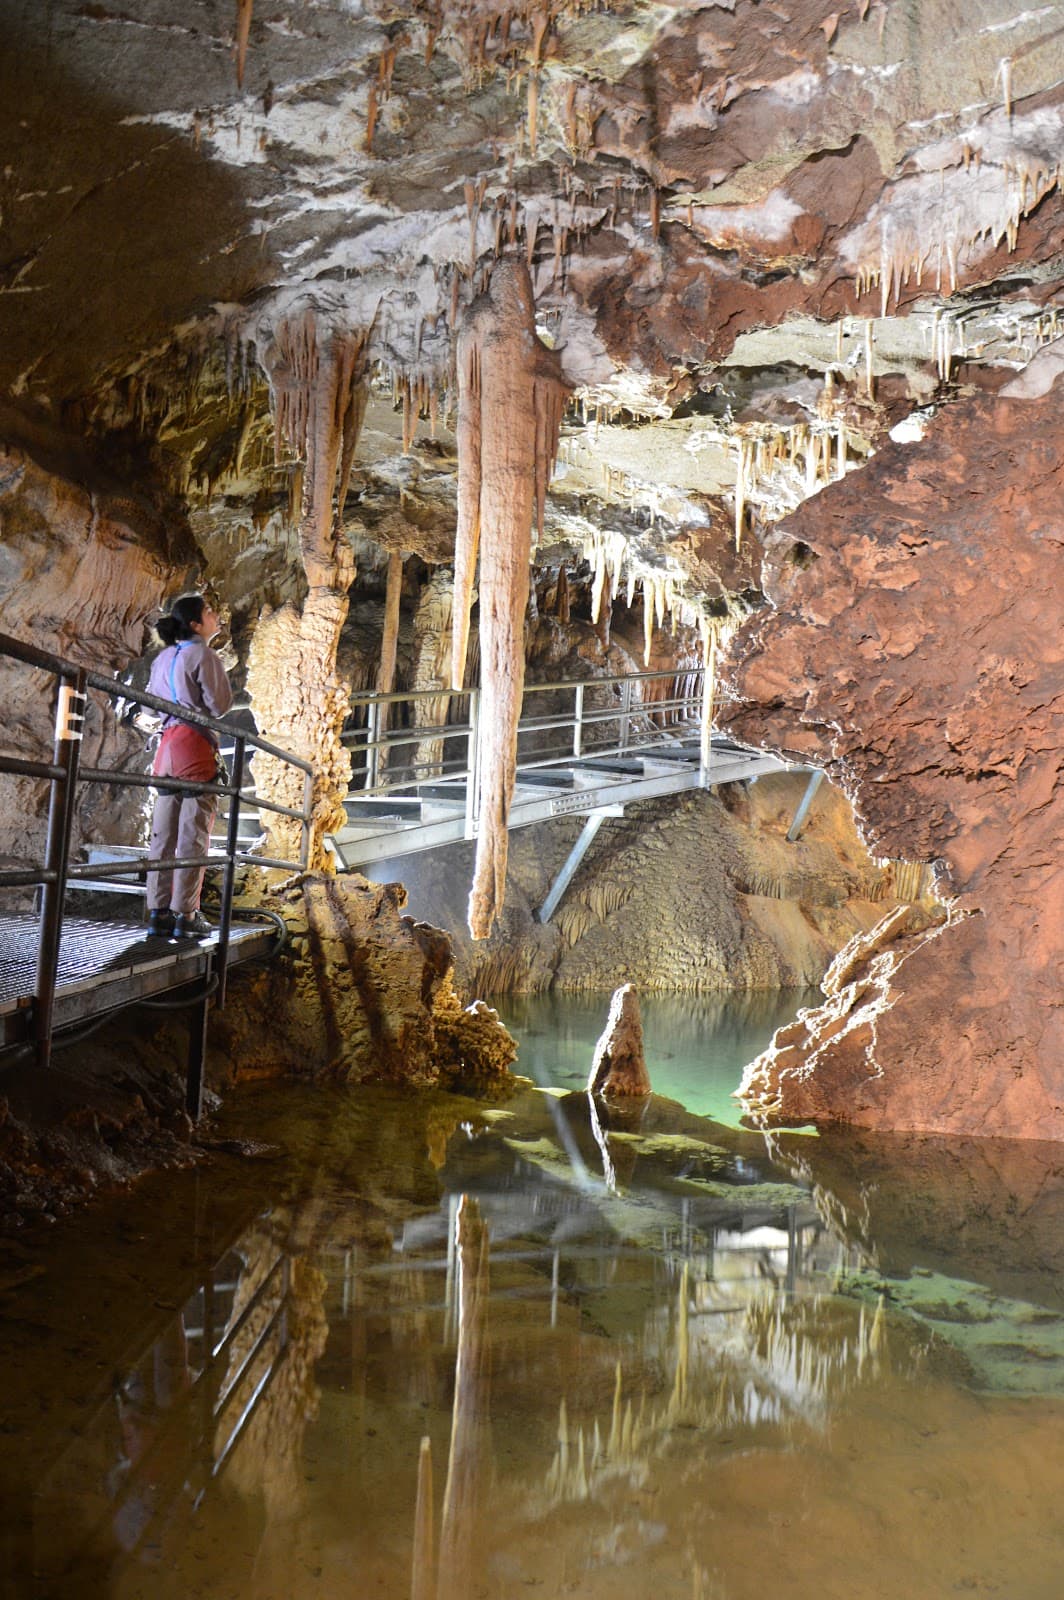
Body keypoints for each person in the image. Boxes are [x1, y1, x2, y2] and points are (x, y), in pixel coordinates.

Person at [145, 595, 232, 939]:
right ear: (196, 624)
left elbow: (152, 706)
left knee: (163, 833)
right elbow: (220, 705)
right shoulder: (204, 655)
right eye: (210, 612)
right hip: (194, 748)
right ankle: (187, 913)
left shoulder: (163, 657)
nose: (216, 616)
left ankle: (158, 911)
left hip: (165, 747)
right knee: (193, 833)